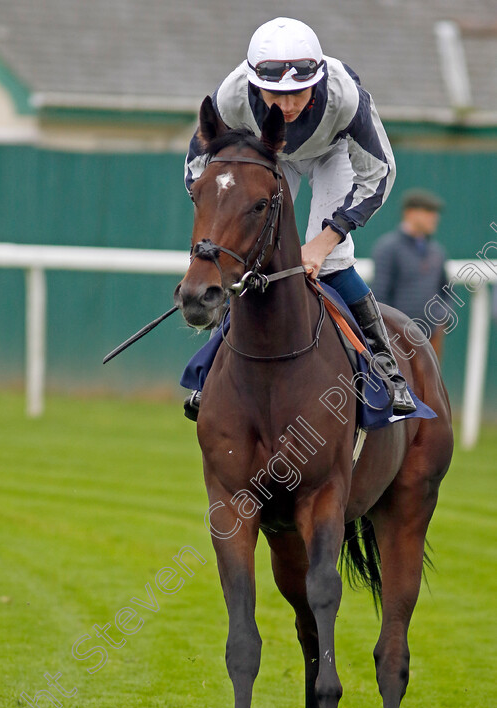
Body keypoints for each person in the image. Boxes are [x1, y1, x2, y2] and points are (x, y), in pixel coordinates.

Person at [183, 16, 416, 418]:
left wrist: (326, 241)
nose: (288, 106)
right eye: (275, 96)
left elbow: (380, 173)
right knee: (250, 258)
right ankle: (212, 367)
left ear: (318, 78)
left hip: (334, 154)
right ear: (255, 84)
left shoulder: (346, 96)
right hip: (267, 155)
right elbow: (196, 171)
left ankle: (386, 367)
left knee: (332, 263)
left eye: (298, 93)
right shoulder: (233, 94)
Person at [372, 189, 447, 360]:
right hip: (399, 340)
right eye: (428, 211)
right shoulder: (388, 248)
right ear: (410, 213)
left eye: (435, 212)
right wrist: (393, 332)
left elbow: (446, 291)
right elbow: (380, 295)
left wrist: (442, 319)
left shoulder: (436, 251)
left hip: (431, 337)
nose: (434, 217)